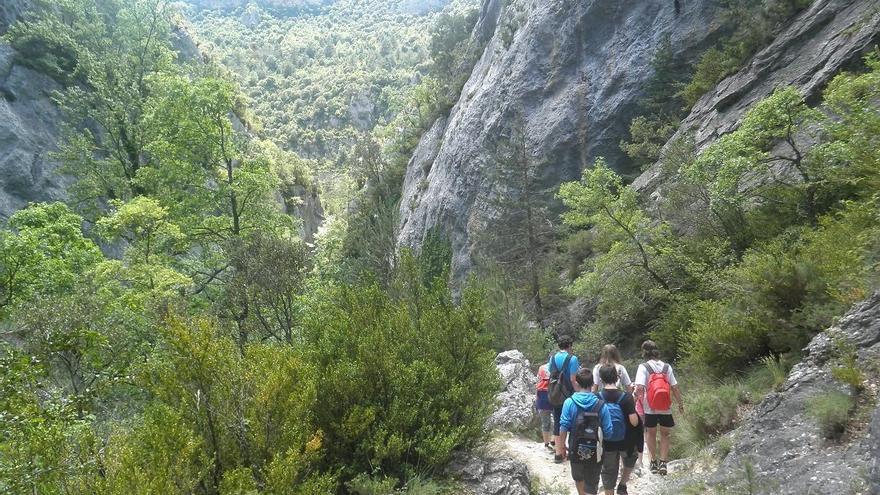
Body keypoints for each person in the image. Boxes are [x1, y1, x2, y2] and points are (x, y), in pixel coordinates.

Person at [556, 368, 614, 495]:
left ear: (576, 383)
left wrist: (561, 448)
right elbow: (609, 431)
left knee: (578, 477)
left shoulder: (569, 402)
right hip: (596, 450)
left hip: (575, 447)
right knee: (592, 483)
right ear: (593, 384)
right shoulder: (601, 405)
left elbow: (563, 426)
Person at [634, 340, 684, 476]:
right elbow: (674, 387)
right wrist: (680, 403)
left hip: (649, 406)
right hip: (665, 405)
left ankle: (653, 463)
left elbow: (639, 388)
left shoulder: (643, 367)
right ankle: (663, 463)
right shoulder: (667, 367)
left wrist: (634, 403)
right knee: (665, 434)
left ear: (644, 352)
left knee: (650, 433)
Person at [597, 365, 641, 495]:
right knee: (630, 459)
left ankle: (609, 492)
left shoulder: (597, 397)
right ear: (617, 377)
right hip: (625, 441)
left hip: (607, 441)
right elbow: (634, 422)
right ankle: (622, 484)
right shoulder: (626, 397)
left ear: (601, 379)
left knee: (608, 470)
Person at [548, 337, 580, 462]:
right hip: (569, 395)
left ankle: (558, 453)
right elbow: (573, 379)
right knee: (570, 422)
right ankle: (569, 450)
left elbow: (552, 373)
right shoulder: (573, 359)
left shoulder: (553, 358)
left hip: (556, 394)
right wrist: (579, 392)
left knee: (557, 421)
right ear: (569, 345)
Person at [536, 361, 554, 450]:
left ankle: (546, 443)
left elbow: (538, 382)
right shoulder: (558, 368)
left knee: (545, 422)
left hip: (542, 395)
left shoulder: (541, 368)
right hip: (555, 395)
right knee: (558, 420)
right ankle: (554, 440)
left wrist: (536, 398)